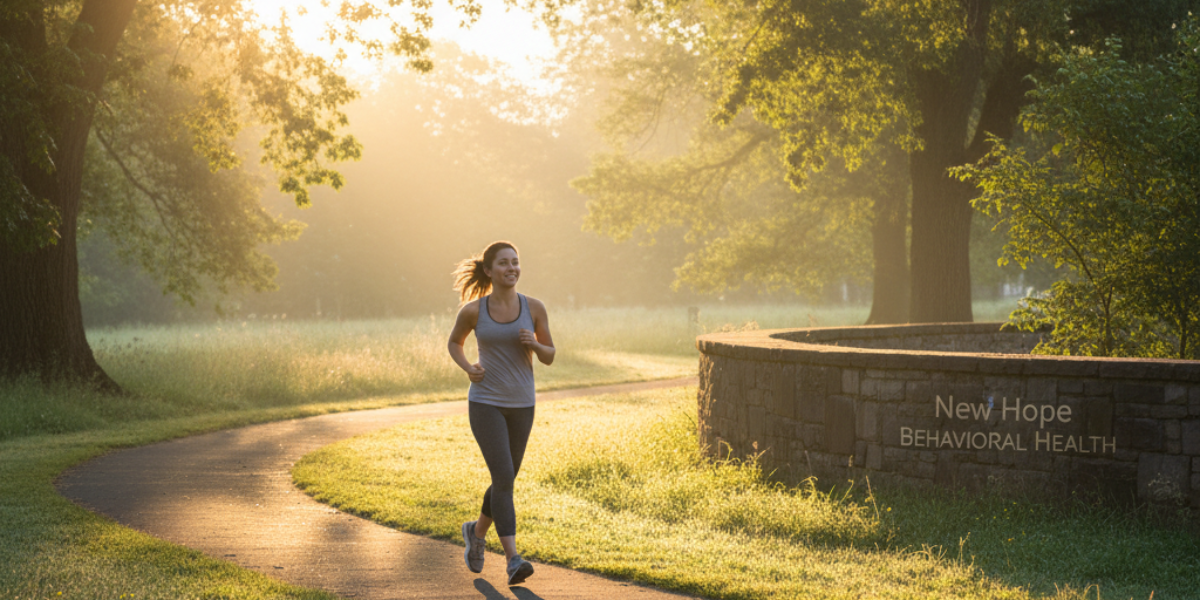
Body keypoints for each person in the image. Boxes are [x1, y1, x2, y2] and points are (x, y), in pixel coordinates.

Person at [446, 241, 555, 586]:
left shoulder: (534, 308)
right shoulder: (474, 311)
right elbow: (455, 342)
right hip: (486, 402)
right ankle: (513, 560)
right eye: (504, 263)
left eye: (516, 262)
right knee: (505, 476)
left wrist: (535, 345)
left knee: (504, 480)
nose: (512, 268)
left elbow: (550, 354)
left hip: (523, 404)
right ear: (490, 270)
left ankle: (476, 533)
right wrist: (468, 367)